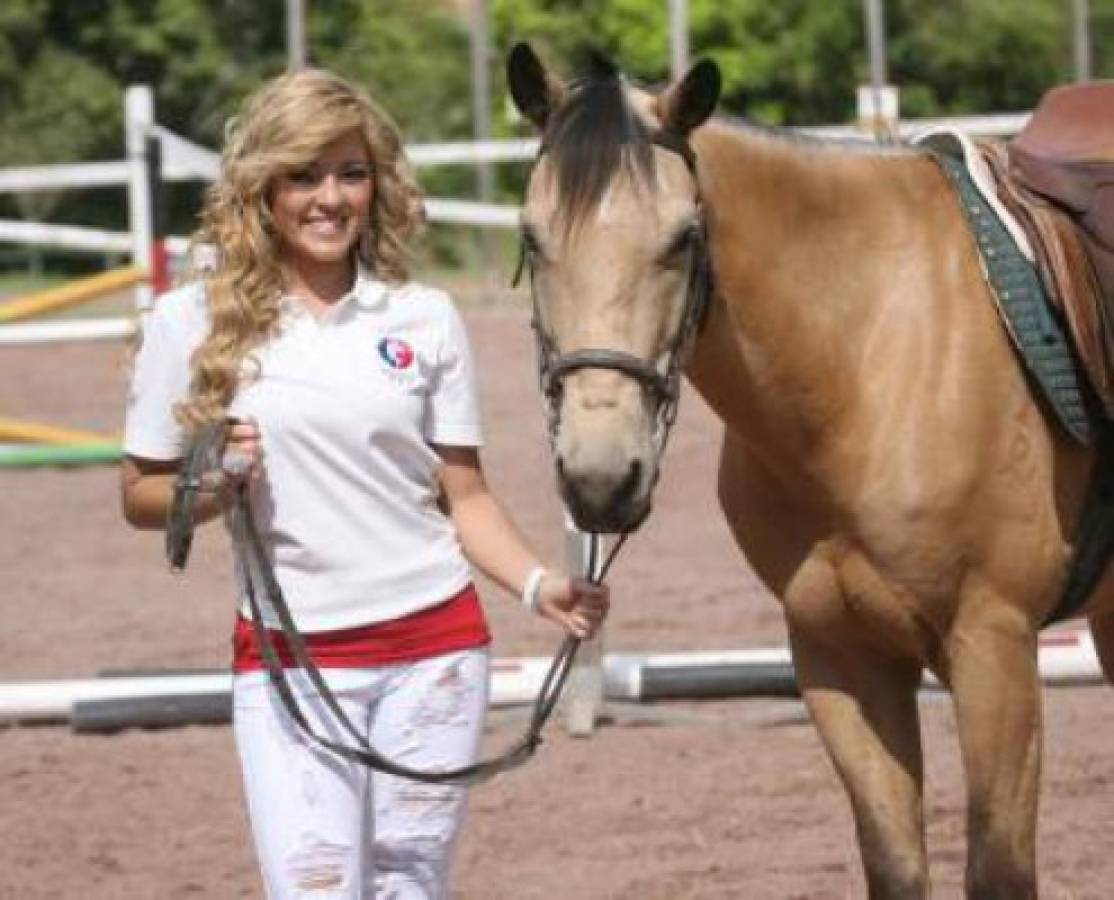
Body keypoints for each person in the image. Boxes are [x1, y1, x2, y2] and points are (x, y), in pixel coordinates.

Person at [120, 67, 609, 900]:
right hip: (290, 664)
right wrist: (215, 490)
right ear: (262, 188)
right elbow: (140, 495)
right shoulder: (190, 321)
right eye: (304, 175)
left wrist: (538, 584)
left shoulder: (423, 318)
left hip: (440, 659)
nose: (329, 197)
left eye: (351, 173)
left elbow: (467, 496)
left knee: (410, 891)